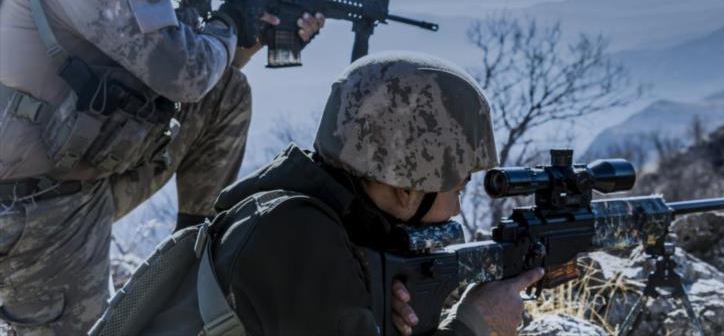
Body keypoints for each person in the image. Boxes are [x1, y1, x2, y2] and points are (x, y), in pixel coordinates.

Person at [0, 0, 323, 334]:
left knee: (228, 92)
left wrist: (251, 36)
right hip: (34, 211)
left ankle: (193, 251)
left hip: (84, 182)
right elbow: (185, 72)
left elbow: (205, 80)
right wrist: (230, 20)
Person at [136, 52, 542, 336]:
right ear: (406, 188)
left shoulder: (318, 213)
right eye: (458, 187)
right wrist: (474, 324)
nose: (457, 207)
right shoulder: (296, 238)